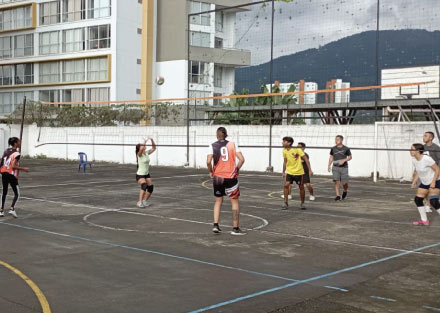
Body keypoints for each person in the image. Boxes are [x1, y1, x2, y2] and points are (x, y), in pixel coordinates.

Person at [207, 127, 245, 235]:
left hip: (218, 176)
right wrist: (236, 169)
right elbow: (242, 159)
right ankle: (235, 228)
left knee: (218, 201)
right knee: (234, 201)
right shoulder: (232, 144)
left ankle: (215, 225)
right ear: (226, 135)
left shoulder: (212, 145)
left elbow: (208, 161)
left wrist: (211, 172)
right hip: (231, 176)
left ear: (217, 135)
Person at [411, 143, 440, 226]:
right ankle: (424, 221)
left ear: (418, 151)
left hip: (435, 180)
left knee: (434, 201)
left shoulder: (427, 159)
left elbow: (437, 170)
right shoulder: (414, 159)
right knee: (418, 200)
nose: (410, 151)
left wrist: (434, 182)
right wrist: (414, 182)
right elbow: (417, 171)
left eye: (412, 149)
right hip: (425, 182)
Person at [0, 137, 29, 218]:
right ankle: (12, 209)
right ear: (15, 143)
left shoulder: (6, 151)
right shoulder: (17, 154)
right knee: (17, 194)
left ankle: (1, 210)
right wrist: (24, 169)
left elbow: (2, 161)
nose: (20, 143)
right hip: (11, 175)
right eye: (19, 142)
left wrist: (1, 171)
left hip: (4, 173)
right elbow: (13, 166)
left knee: (4, 192)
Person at [282, 137, 312, 210]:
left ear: (289, 143)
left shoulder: (297, 149)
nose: (282, 142)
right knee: (286, 185)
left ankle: (302, 203)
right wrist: (283, 172)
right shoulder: (284, 150)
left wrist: (310, 170)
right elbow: (285, 162)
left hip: (299, 172)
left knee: (301, 187)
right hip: (289, 172)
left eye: (284, 141)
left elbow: (306, 159)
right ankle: (285, 202)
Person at [328, 135, 352, 201]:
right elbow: (331, 157)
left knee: (344, 183)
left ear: (341, 140)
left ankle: (345, 190)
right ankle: (338, 195)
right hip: (335, 167)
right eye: (335, 139)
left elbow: (350, 157)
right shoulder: (333, 148)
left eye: (338, 139)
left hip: (344, 167)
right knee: (337, 181)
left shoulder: (346, 148)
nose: (336, 141)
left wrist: (343, 160)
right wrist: (329, 165)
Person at [135, 137, 156, 208]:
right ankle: (139, 202)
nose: (143, 146)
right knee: (144, 185)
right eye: (142, 145)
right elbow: (141, 149)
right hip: (140, 175)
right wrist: (144, 141)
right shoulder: (139, 154)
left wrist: (152, 140)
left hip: (146, 174)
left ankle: (145, 201)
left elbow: (154, 148)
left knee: (150, 187)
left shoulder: (146, 153)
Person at [422, 131, 440, 212]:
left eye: (426, 136)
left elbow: (439, 160)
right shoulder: (422, 147)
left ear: (431, 138)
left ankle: (435, 203)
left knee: (434, 190)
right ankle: (427, 205)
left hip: (434, 172)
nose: (424, 137)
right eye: (424, 136)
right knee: (424, 189)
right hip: (425, 172)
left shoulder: (436, 148)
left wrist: (438, 171)